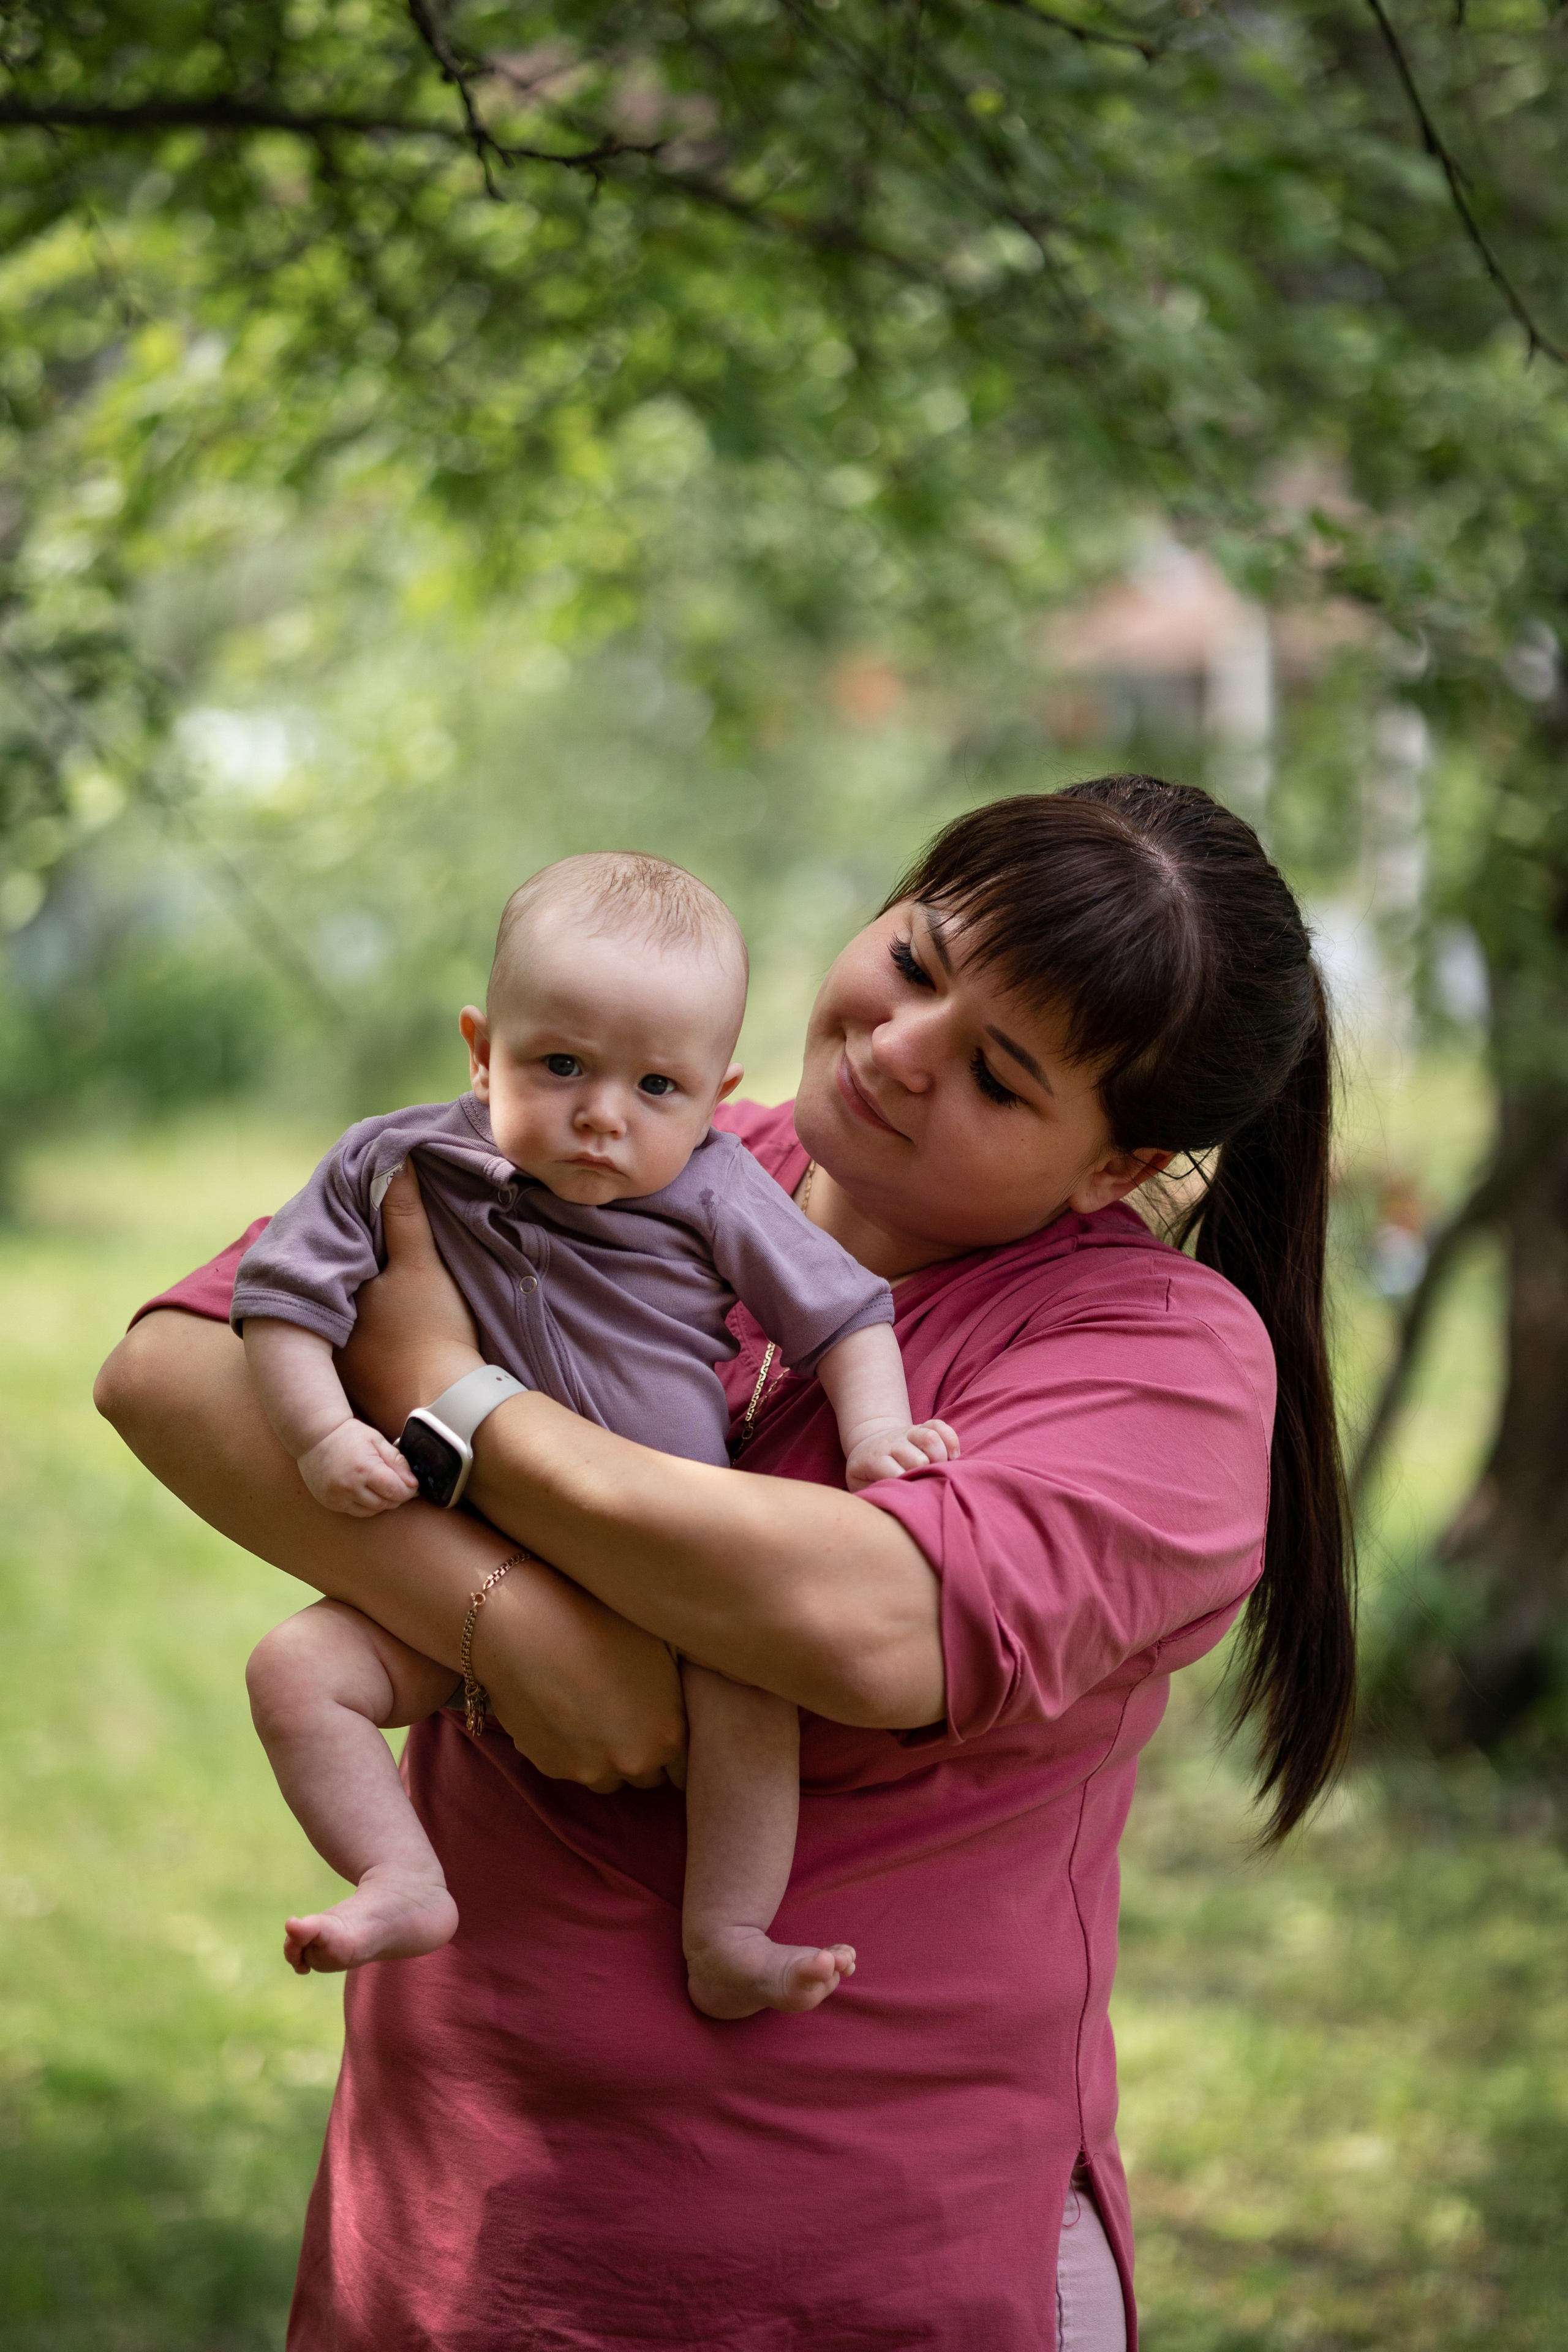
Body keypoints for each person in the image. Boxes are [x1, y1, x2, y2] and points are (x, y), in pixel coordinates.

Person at [96, 776, 1356, 2352]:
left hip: (847, 2258)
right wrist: (511, 1631)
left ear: (1118, 1165)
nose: (898, 1048)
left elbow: (863, 1619)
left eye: (998, 1073)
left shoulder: (1155, 1357)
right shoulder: (630, 1128)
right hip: (452, 2221)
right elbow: (172, 1370)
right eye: (915, 961)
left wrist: (451, 1393)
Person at [236, 849, 956, 2013]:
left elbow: (846, 1315)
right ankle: (399, 1874)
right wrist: (321, 1435)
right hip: (471, 1556)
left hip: (668, 1563)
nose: (601, 1116)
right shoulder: (399, 1160)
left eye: (655, 1088)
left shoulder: (719, 1188)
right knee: (294, 1670)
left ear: (720, 1096)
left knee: (748, 1698)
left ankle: (724, 1935)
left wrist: (879, 1437)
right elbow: (279, 1304)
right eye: (559, 1064)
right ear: (482, 1050)